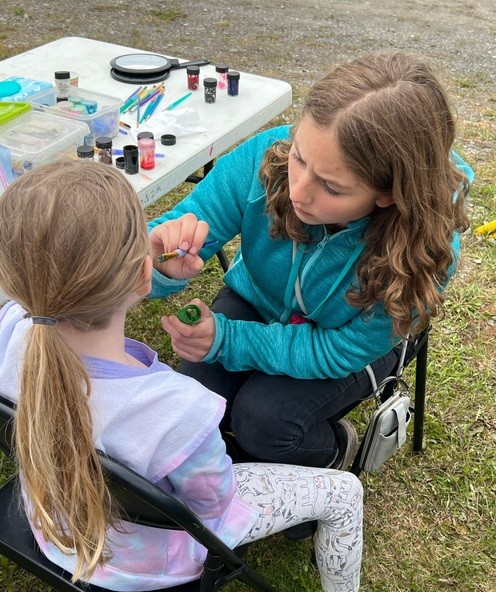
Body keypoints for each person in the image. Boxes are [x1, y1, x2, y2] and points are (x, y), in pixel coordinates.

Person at [0, 160, 408, 592]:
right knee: (343, 493)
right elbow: (213, 505)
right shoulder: (180, 410)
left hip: (54, 527)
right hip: (146, 560)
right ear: (143, 276)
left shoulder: (10, 333)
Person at [148, 52, 474, 471]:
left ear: (389, 194)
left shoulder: (424, 247)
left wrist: (231, 341)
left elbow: (342, 350)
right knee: (198, 402)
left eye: (332, 188)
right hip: (260, 298)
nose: (297, 191)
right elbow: (175, 228)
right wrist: (159, 262)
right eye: (300, 158)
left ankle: (334, 451)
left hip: (347, 339)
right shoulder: (267, 158)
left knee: (263, 423)